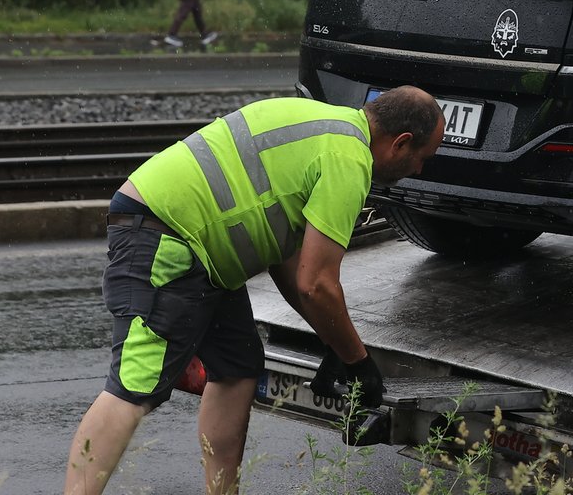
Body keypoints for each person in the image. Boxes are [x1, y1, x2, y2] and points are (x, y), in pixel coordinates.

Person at [64, 87, 446, 495]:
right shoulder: (348, 158)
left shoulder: (320, 125)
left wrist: (333, 342)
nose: (419, 170)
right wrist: (358, 361)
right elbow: (316, 283)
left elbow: (288, 259)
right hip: (168, 238)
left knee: (237, 367)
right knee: (133, 386)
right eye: (422, 158)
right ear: (400, 142)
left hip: (199, 251)